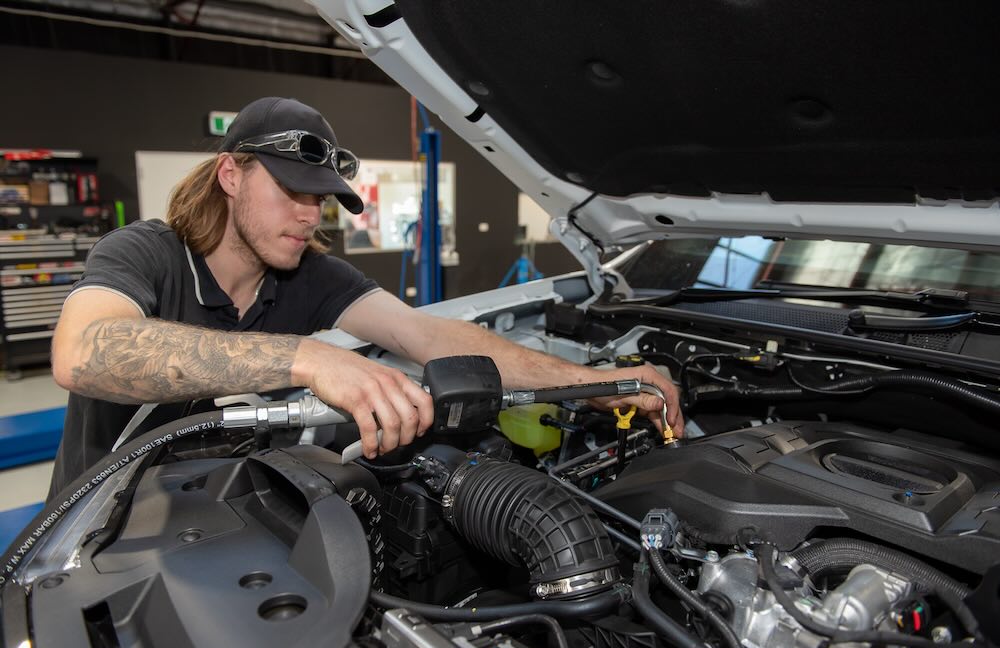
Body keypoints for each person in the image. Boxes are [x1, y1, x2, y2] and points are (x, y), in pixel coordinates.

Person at [48, 96, 683, 495]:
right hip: (99, 527)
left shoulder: (310, 272)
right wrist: (310, 357)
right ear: (230, 174)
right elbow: (83, 351)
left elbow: (431, 335)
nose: (308, 216)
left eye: (318, 199)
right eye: (292, 192)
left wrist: (595, 381)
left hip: (233, 512)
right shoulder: (147, 253)